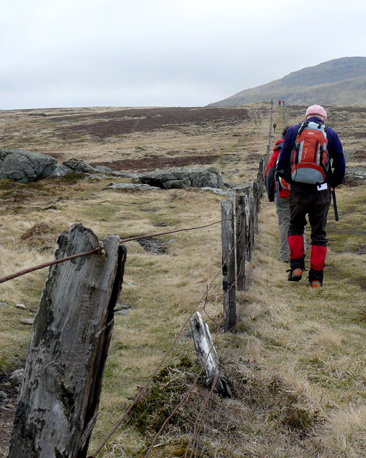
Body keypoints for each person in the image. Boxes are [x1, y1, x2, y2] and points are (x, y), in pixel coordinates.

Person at [277, 105, 346, 288]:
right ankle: (316, 278)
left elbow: (282, 162)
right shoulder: (330, 133)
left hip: (298, 190)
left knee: (296, 227)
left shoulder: (294, 131)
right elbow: (340, 162)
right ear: (324, 118)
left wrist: (289, 180)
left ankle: (297, 267)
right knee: (319, 234)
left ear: (307, 117)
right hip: (322, 192)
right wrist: (333, 183)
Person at [265, 127, 291, 262]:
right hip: (298, 194)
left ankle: (285, 256)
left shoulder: (278, 151)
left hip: (281, 194)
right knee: (299, 224)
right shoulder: (300, 150)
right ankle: (299, 254)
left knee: (284, 224)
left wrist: (271, 194)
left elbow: (268, 175)